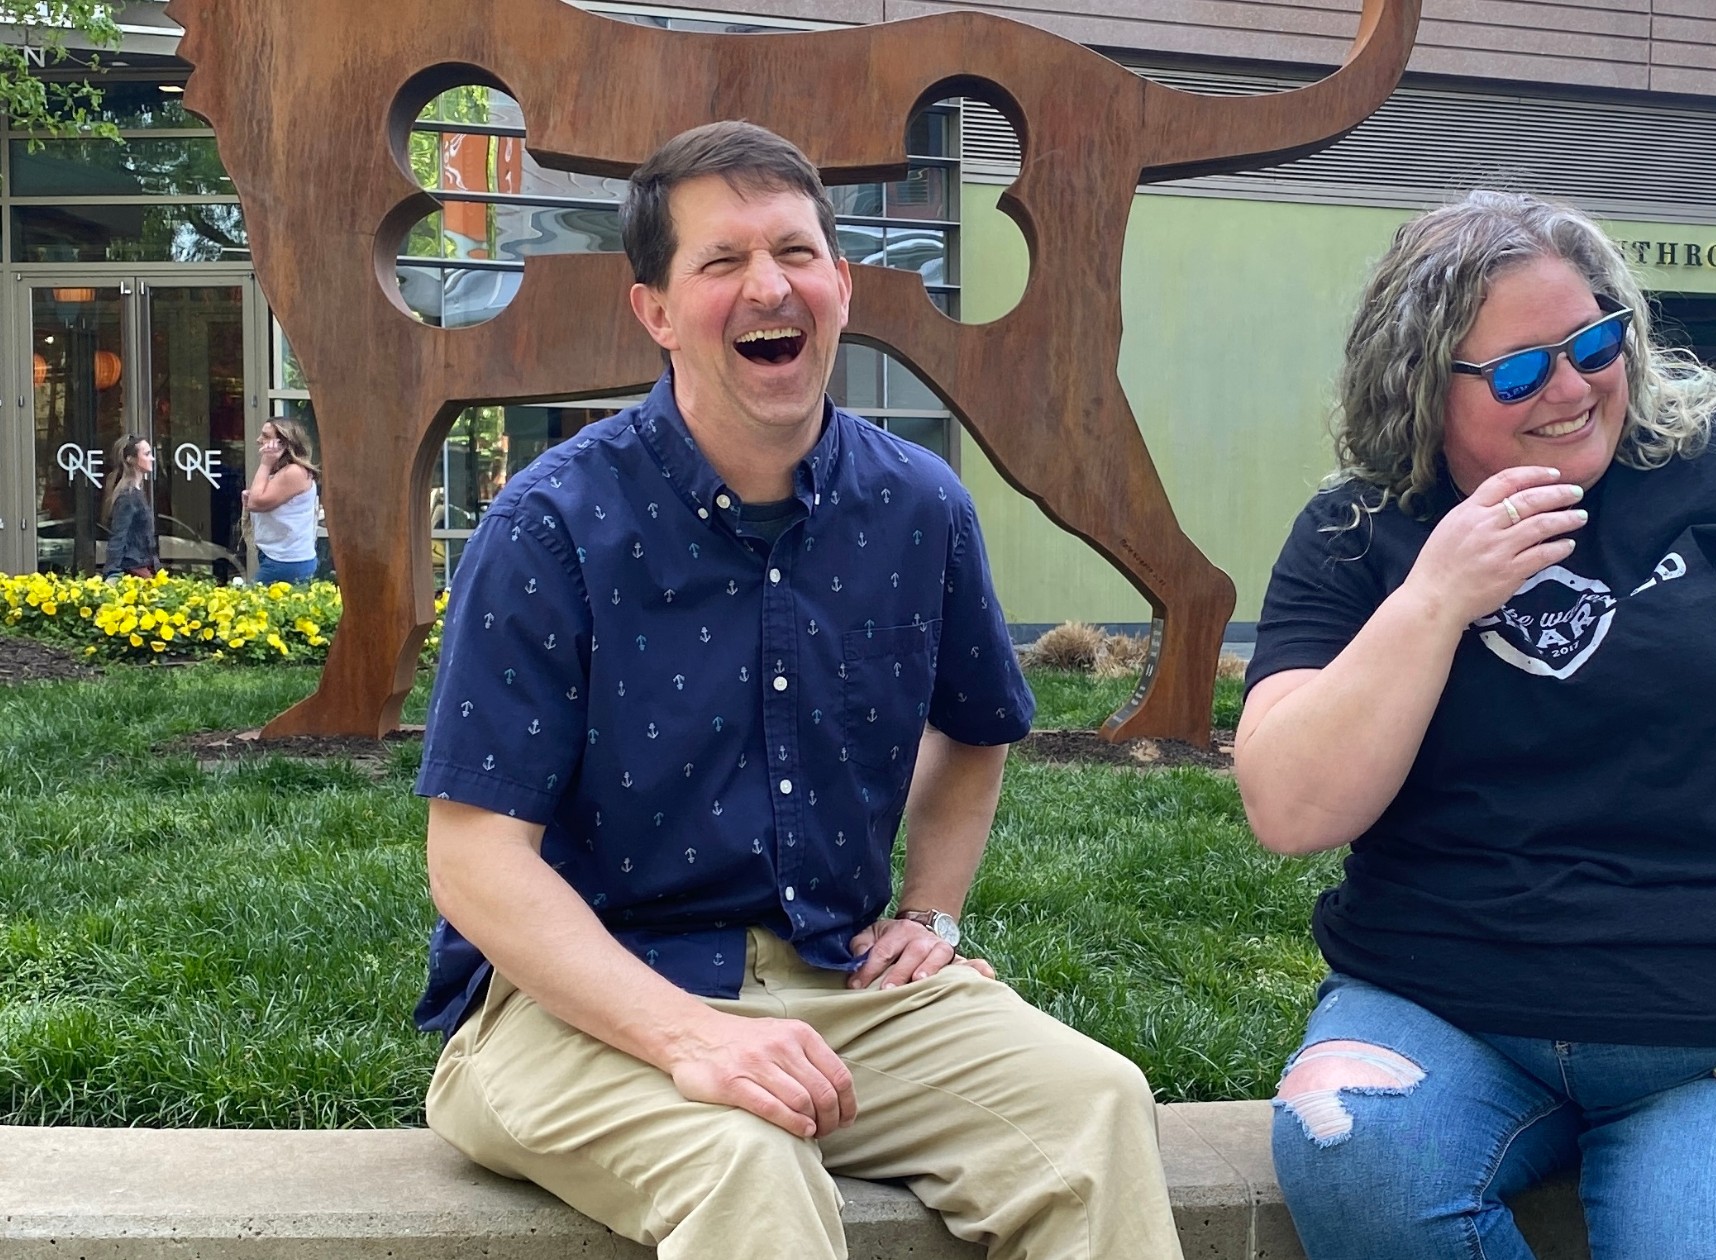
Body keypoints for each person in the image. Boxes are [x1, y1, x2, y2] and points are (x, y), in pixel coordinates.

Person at [412, 121, 1183, 1260]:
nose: (767, 285)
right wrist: (687, 1037)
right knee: (743, 1159)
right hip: (575, 1007)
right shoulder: (551, 524)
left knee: (1095, 1105)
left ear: (840, 284)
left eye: (793, 253)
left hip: (834, 978)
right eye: (720, 263)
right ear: (656, 313)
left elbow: (978, 729)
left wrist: (929, 909)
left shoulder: (919, 508)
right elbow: (473, 857)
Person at [1234, 189, 1716, 1260]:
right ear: (1420, 389)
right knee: (1351, 1154)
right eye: (1519, 371)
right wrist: (1433, 599)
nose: (1571, 389)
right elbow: (1289, 807)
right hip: (1441, 1007)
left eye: (1595, 343)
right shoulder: (1359, 529)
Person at [243, 418, 321, 584]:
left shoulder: (294, 472)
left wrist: (265, 463)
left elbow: (256, 503)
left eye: (265, 436)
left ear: (283, 443)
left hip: (287, 560)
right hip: (277, 556)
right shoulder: (283, 471)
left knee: (248, 605)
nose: (259, 440)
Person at [101, 433, 159, 579]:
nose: (152, 458)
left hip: (141, 567)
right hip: (134, 570)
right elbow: (118, 535)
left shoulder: (134, 492)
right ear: (131, 459)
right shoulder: (128, 495)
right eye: (146, 454)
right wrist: (112, 573)